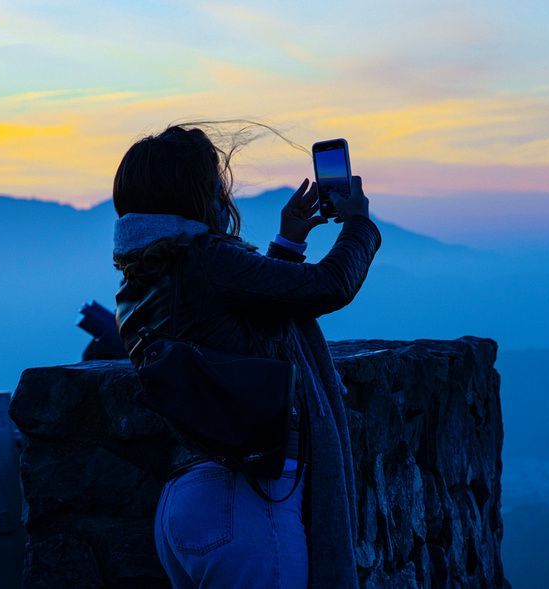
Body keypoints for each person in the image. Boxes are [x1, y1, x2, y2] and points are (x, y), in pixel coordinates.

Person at [111, 122, 381, 588]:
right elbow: (327, 286)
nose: (223, 191)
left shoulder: (148, 270)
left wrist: (289, 242)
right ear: (197, 191)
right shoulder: (204, 259)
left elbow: (241, 318)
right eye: (215, 180)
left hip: (186, 501)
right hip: (247, 506)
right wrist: (359, 224)